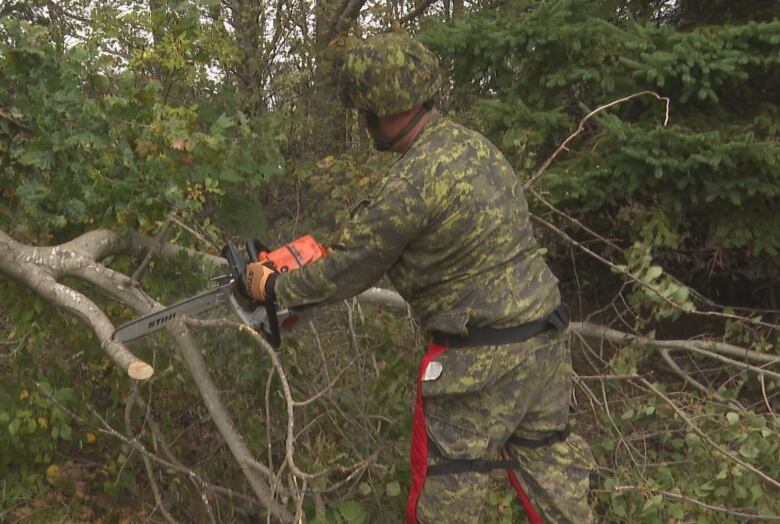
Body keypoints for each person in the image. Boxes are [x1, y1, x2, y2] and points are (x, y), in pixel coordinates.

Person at [245, 33, 594, 524]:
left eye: (366, 111)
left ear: (383, 108)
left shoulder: (414, 181)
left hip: (478, 361)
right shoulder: (476, 147)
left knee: (447, 495)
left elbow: (352, 267)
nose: (364, 123)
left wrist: (274, 287)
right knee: (556, 484)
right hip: (544, 344)